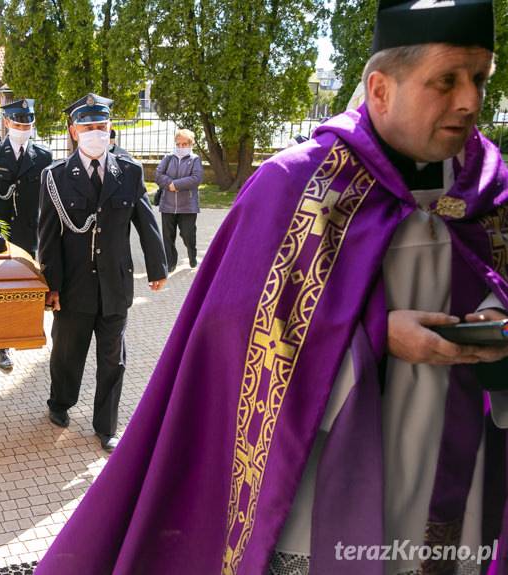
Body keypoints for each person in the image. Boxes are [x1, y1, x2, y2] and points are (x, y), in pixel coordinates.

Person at [36, 1, 508, 573]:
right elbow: (237, 335)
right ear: (380, 89)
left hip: (454, 461)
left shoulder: (489, 186)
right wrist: (377, 337)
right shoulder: (298, 186)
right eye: (446, 80)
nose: (470, 101)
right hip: (328, 480)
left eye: (480, 78)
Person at [38, 93, 167, 453]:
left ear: (110, 129)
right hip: (73, 286)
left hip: (115, 284)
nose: (96, 132)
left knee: (114, 360)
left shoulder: (128, 171)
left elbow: (145, 219)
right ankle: (60, 403)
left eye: (101, 126)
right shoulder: (55, 177)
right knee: (67, 353)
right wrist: (51, 286)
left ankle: (106, 426)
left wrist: (157, 266)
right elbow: (48, 237)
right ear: (73, 130)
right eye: (88, 126)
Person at [0, 98, 53, 370]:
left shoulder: (43, 156)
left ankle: (18, 331)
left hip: (28, 234)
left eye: (28, 124)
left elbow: (48, 199)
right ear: (7, 123)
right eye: (19, 123)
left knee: (22, 287)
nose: (23, 127)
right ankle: (2, 344)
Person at [154, 128, 204, 271]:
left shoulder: (195, 160)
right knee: (168, 237)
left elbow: (196, 178)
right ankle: (171, 263)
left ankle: (192, 254)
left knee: (187, 234)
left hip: (187, 205)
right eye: (178, 144)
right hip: (167, 205)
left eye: (184, 144)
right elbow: (158, 174)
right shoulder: (168, 157)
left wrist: (176, 185)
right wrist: (169, 184)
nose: (181, 147)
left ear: (191, 144)